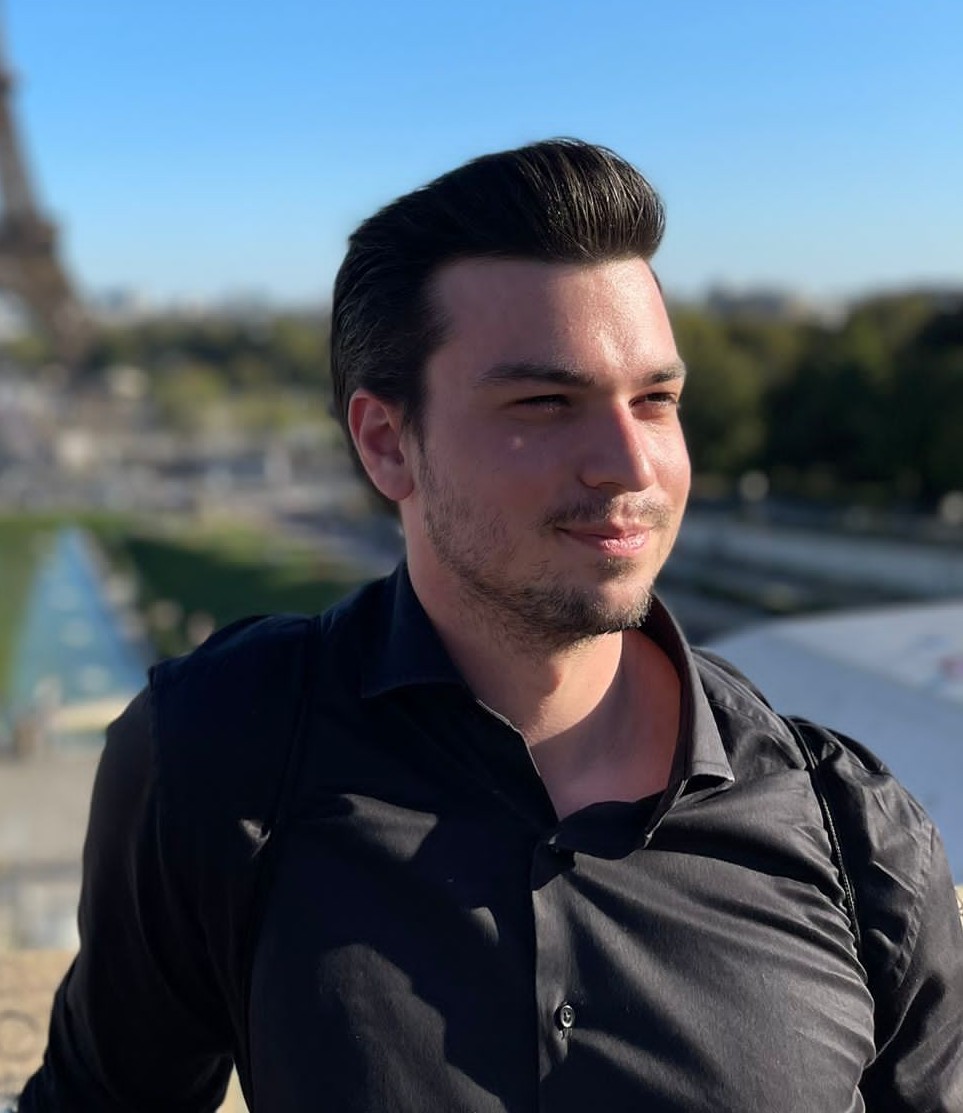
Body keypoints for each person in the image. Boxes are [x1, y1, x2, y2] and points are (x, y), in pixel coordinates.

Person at [18, 139, 963, 1112]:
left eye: (656, 400)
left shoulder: (859, 834)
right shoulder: (216, 755)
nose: (630, 465)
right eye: (546, 403)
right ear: (387, 443)